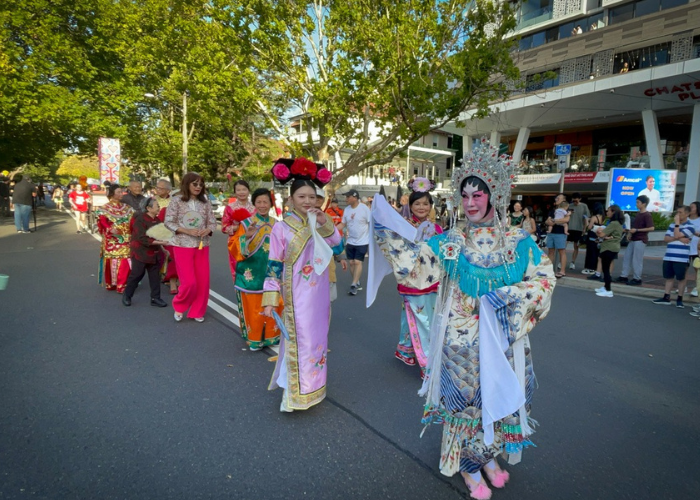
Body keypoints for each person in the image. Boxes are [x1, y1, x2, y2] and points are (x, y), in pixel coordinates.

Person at [370, 140, 555, 499]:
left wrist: (508, 299)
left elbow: (544, 278)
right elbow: (417, 272)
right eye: (465, 195)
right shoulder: (450, 240)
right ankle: (468, 466)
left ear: (494, 196)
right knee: (467, 402)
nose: (470, 203)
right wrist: (387, 235)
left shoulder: (518, 241)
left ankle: (487, 456)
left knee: (500, 396)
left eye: (477, 195)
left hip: (505, 335)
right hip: (461, 338)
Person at [262, 157, 341, 412]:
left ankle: (314, 389)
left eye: (312, 197)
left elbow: (337, 245)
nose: (307, 201)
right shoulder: (281, 229)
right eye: (301, 197)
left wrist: (323, 222)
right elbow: (274, 265)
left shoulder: (319, 222)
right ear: (290, 200)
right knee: (301, 340)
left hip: (319, 295)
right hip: (297, 296)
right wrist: (270, 299)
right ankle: (295, 395)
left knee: (317, 341)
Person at [393, 177, 443, 374]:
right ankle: (427, 362)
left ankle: (407, 348)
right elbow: (396, 252)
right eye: (417, 203)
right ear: (410, 205)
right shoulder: (403, 227)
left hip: (433, 280)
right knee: (422, 319)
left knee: (425, 316)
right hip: (412, 280)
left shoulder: (438, 229)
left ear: (431, 206)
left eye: (425, 203)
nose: (421, 207)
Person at [230, 188, 283, 350]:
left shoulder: (277, 224)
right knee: (254, 307)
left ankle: (272, 336)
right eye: (258, 202)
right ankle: (254, 339)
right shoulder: (246, 224)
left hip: (272, 273)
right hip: (251, 274)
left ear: (271, 204)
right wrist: (246, 237)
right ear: (254, 204)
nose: (262, 205)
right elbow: (233, 246)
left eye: (265, 202)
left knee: (275, 303)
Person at [164, 172, 217, 322]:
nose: (198, 187)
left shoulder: (205, 202)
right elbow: (168, 221)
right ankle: (179, 305)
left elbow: (212, 222)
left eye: (201, 184)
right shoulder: (176, 201)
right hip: (182, 244)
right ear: (187, 184)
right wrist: (186, 230)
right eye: (195, 184)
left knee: (202, 281)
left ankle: (197, 311)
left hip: (202, 244)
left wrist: (208, 229)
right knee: (189, 282)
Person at [122, 197, 169, 307]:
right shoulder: (140, 219)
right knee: (137, 275)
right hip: (140, 252)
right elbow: (142, 238)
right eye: (157, 206)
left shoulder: (157, 220)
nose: (159, 208)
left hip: (154, 253)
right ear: (148, 208)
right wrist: (160, 243)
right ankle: (127, 295)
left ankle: (155, 298)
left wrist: (164, 248)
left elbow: (161, 235)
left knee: (155, 277)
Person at [652, 206, 694, 308]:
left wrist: (677, 226)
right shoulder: (671, 225)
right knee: (669, 277)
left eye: (680, 212)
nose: (678, 214)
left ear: (688, 214)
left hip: (681, 257)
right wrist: (680, 238)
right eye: (677, 212)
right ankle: (666, 296)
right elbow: (666, 238)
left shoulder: (690, 226)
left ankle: (680, 299)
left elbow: (675, 235)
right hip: (669, 256)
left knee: (681, 278)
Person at [96, 185, 134, 293]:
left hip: (126, 238)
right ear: (112, 194)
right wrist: (109, 229)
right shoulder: (104, 208)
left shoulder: (127, 207)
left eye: (122, 192)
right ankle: (112, 283)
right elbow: (102, 221)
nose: (121, 194)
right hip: (112, 239)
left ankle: (122, 284)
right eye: (119, 192)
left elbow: (132, 222)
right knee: (112, 259)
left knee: (125, 259)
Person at [338, 188, 371, 296]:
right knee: (351, 263)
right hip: (350, 241)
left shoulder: (364, 209)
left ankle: (353, 285)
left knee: (357, 262)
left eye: (348, 197)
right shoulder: (347, 210)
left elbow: (371, 223)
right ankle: (356, 281)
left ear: (355, 197)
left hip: (363, 241)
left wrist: (374, 238)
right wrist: (332, 231)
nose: (346, 199)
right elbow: (343, 224)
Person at [615, 195, 654, 286]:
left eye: (638, 202)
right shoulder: (638, 214)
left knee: (637, 259)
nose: (636, 204)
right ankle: (624, 275)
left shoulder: (647, 215)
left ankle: (637, 278)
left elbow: (651, 228)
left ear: (644, 204)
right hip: (634, 238)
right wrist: (630, 233)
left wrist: (637, 230)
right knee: (627, 257)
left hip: (640, 239)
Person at [222, 180, 255, 280]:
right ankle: (239, 292)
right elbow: (224, 227)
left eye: (244, 189)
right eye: (238, 190)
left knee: (253, 268)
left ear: (248, 191)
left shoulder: (255, 207)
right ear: (235, 192)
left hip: (253, 241)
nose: (241, 192)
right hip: (236, 242)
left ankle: (252, 293)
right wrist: (237, 227)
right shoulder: (230, 208)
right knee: (237, 268)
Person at [154, 178, 179, 295]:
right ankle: (172, 280)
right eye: (157, 187)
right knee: (171, 256)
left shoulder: (180, 205)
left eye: (161, 188)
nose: (158, 190)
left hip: (184, 236)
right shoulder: (154, 201)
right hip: (166, 235)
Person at [594, 206, 624, 298]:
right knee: (606, 268)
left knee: (606, 269)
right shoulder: (618, 223)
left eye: (608, 211)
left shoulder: (613, 223)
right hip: (613, 247)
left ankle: (608, 289)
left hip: (609, 247)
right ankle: (605, 287)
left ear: (613, 212)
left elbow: (602, 234)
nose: (607, 213)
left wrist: (597, 231)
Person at [567, 193, 590, 270]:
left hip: (579, 229)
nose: (575, 202)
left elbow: (586, 218)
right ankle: (561, 261)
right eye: (573, 200)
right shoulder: (569, 206)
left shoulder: (584, 206)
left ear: (580, 199)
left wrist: (585, 228)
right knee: (563, 246)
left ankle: (572, 262)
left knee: (576, 246)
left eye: (576, 200)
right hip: (569, 228)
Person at [582, 203, 605, 275]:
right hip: (599, 236)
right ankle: (595, 268)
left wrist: (586, 221)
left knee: (590, 252)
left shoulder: (594, 217)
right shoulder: (603, 217)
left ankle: (589, 268)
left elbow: (589, 227)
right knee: (596, 252)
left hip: (592, 235)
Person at [685, 201, 700, 296]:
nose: (690, 209)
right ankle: (683, 286)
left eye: (692, 207)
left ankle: (696, 288)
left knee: (697, 269)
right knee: (684, 268)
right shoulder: (685, 219)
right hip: (685, 247)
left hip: (696, 248)